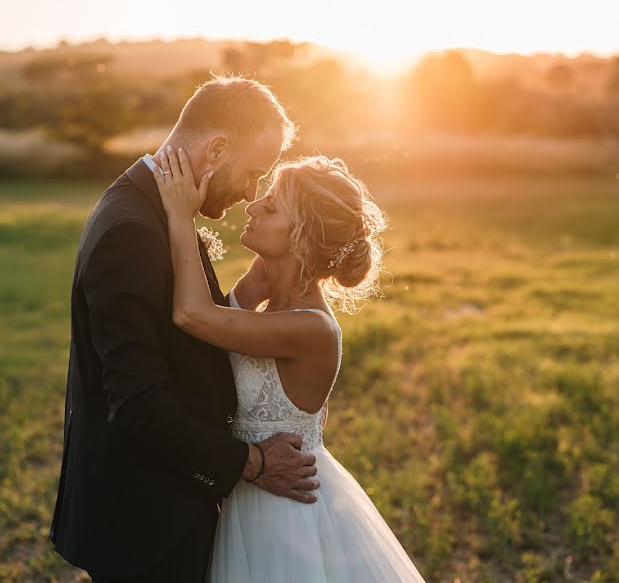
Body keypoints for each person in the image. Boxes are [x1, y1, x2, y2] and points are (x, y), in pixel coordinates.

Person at [50, 76, 319, 583]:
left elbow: (187, 335)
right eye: (254, 173)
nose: (251, 193)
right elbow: (137, 402)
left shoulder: (159, 206)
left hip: (162, 505)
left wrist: (248, 291)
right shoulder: (134, 229)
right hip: (143, 521)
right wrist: (252, 463)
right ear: (216, 149)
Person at [151, 147, 426, 581]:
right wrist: (269, 273)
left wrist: (180, 216)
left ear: (299, 237)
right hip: (248, 492)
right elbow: (214, 333)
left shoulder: (310, 329)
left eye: (273, 206)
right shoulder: (269, 305)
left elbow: (193, 315)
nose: (254, 204)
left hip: (282, 510)